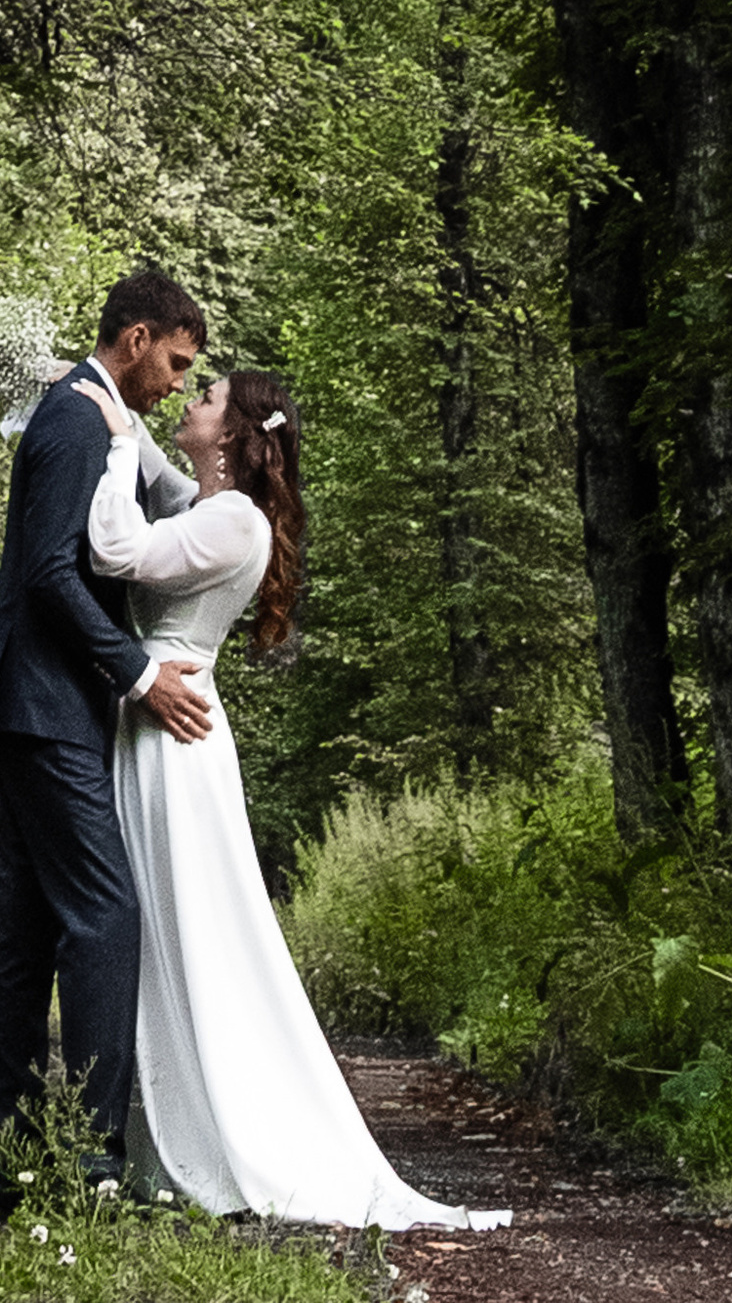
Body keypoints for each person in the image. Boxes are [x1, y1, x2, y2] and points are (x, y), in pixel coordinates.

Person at [77, 360, 510, 1233]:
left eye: (206, 399)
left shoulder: (235, 523)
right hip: (158, 722)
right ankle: (158, 1127)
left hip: (176, 733)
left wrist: (120, 445)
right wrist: (105, 403)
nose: (190, 402)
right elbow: (171, 489)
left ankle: (216, 1129)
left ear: (234, 436)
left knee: (188, 923)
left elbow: (116, 548)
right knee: (159, 923)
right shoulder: (216, 507)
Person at [0, 263, 214, 1212]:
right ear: (137, 337)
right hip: (50, 707)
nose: (179, 382)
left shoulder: (87, 414)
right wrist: (141, 675)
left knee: (26, 939)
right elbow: (48, 578)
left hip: (34, 706)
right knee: (106, 919)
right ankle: (94, 1164)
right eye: (177, 361)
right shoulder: (72, 416)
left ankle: (19, 1166)